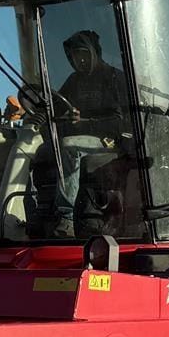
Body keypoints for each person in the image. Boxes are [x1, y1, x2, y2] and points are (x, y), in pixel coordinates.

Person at [29, 29, 132, 239]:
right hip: (82, 138)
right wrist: (36, 114)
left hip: (110, 141)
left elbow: (124, 121)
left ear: (95, 52)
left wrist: (84, 120)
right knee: (41, 150)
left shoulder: (114, 78)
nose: (78, 60)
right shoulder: (74, 81)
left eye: (83, 54)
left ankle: (66, 216)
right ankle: (39, 211)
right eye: (74, 56)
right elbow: (56, 106)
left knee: (68, 146)